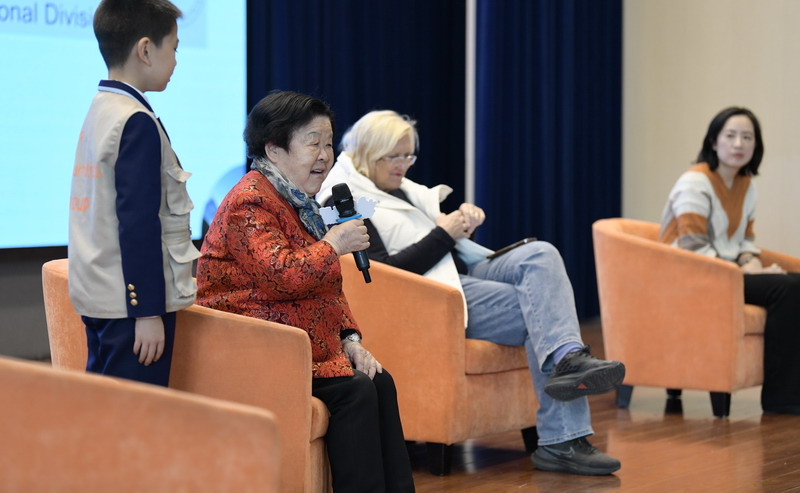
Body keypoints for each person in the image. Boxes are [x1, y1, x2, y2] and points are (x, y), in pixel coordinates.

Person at [318, 110, 626, 476]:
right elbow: (383, 272)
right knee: (546, 311)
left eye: (409, 155)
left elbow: (441, 246)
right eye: (394, 156)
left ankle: (568, 358)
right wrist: (444, 234)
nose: (404, 165)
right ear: (368, 152)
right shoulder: (344, 197)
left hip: (457, 271)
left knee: (541, 254)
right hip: (431, 295)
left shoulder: (404, 189)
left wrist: (463, 226)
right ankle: (563, 439)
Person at [196, 92, 415, 492]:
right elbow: (281, 276)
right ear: (274, 149)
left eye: (328, 143)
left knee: (379, 380)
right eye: (313, 143)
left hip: (299, 345)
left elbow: (325, 287)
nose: (325, 155)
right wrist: (333, 244)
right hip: (254, 350)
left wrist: (349, 339)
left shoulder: (297, 201)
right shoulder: (250, 202)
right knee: (354, 391)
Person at [68, 0, 199, 387]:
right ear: (145, 50)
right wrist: (147, 311)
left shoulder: (101, 106)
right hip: (129, 307)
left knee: (106, 408)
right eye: (173, 48)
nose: (176, 61)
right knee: (134, 417)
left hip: (101, 295)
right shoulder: (135, 120)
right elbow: (138, 222)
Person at [660, 106, 800, 414]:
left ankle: (790, 392)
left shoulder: (747, 185)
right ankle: (782, 399)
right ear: (713, 141)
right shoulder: (695, 182)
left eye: (747, 137)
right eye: (731, 136)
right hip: (690, 277)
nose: (739, 144)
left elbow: (745, 241)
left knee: (795, 282)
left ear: (756, 145)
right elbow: (693, 249)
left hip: (725, 274)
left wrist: (751, 261)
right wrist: (744, 270)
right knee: (786, 288)